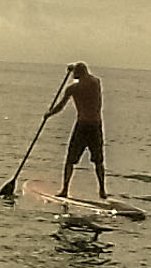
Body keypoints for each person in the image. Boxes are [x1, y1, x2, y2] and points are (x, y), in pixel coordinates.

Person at [45, 61, 107, 200]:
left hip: (83, 126)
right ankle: (102, 190)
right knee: (98, 161)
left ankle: (65, 189)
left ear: (77, 74)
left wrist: (49, 114)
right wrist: (75, 68)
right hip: (95, 126)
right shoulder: (96, 83)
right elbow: (87, 76)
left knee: (70, 161)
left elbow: (60, 107)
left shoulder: (73, 89)